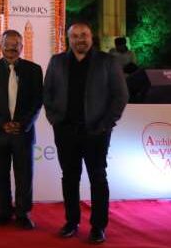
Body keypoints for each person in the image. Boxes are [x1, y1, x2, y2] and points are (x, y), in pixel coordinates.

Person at [43, 22, 128, 244]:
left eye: (84, 35)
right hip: (65, 131)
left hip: (97, 132)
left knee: (98, 178)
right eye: (75, 36)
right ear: (68, 39)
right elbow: (47, 93)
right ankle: (71, 222)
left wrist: (105, 124)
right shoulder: (57, 61)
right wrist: (55, 120)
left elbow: (120, 96)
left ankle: (98, 227)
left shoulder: (107, 61)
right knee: (69, 178)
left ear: (91, 37)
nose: (80, 39)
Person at [0, 30, 43, 230]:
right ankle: (4, 211)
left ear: (21, 47)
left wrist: (23, 124)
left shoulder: (34, 70)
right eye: (7, 44)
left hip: (23, 132)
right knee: (0, 174)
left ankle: (23, 213)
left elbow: (37, 101)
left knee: (24, 175)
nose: (11, 48)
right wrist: (2, 123)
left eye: (15, 45)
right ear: (1, 45)